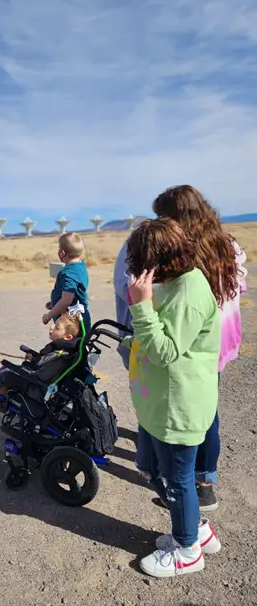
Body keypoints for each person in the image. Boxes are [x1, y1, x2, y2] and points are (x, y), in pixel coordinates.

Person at [114, 185, 244, 510]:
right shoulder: (228, 245)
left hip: (174, 340)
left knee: (172, 412)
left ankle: (170, 480)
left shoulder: (169, 249)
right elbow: (238, 286)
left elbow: (127, 285)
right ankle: (204, 482)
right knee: (205, 410)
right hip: (213, 340)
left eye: (162, 214)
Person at [123, 218, 221, 578]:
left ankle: (188, 550)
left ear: (158, 258)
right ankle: (196, 528)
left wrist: (141, 306)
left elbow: (165, 352)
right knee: (150, 468)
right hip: (157, 404)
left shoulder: (189, 292)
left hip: (177, 407)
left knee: (178, 480)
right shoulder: (169, 284)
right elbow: (156, 340)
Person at [0, 312, 81, 405]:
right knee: (7, 368)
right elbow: (43, 364)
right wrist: (34, 359)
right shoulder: (59, 351)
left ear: (68, 337)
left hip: (37, 390)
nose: (52, 326)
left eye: (57, 327)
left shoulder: (60, 357)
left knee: (7, 373)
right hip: (37, 383)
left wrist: (26, 369)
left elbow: (40, 376)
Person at [43, 233, 91, 331]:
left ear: (62, 253)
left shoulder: (68, 273)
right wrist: (55, 303)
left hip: (71, 325)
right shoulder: (80, 267)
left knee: (67, 346)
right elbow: (73, 295)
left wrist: (48, 316)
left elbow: (66, 301)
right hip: (78, 319)